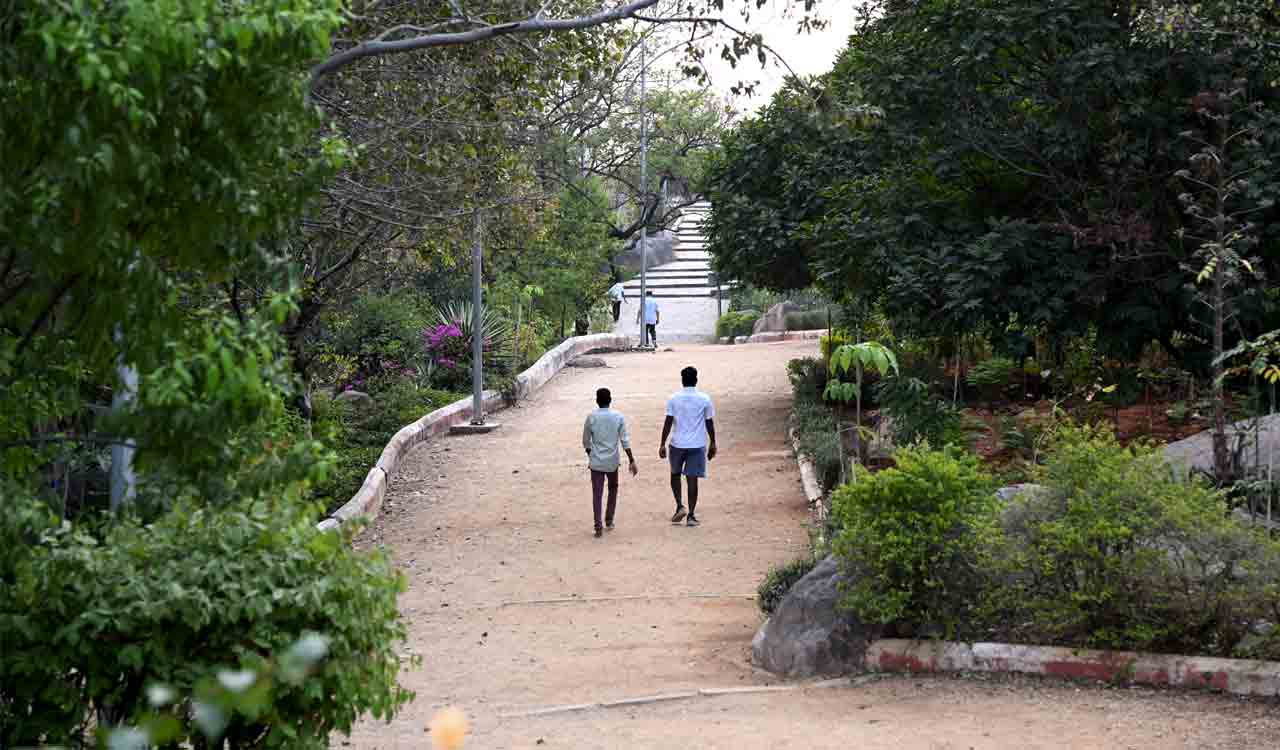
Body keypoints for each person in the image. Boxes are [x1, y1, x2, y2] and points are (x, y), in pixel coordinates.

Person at [659, 366, 717, 527]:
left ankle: (679, 505)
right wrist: (713, 443)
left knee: (675, 474)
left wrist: (662, 444)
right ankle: (691, 515)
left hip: (677, 444)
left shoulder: (673, 398)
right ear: (696, 380)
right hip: (697, 445)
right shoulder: (704, 399)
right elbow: (709, 423)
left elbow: (668, 422)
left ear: (682, 381)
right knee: (692, 479)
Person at [582, 387, 638, 537]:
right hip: (612, 461)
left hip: (596, 462)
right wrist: (631, 459)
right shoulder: (618, 417)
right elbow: (624, 440)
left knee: (597, 494)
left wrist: (591, 455)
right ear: (610, 400)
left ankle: (598, 526)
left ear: (597, 401)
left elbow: (586, 441)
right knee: (613, 489)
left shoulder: (591, 417)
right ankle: (609, 519)